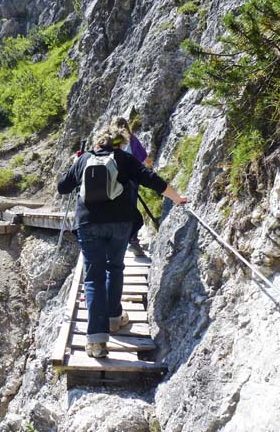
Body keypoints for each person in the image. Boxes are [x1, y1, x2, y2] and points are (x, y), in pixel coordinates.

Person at [57, 126, 187, 358]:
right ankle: (114, 318)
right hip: (120, 224)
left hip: (88, 224)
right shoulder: (125, 159)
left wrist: (78, 166)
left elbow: (62, 187)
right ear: (120, 143)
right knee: (114, 267)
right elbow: (152, 180)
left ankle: (96, 342)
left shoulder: (84, 159)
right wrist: (177, 198)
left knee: (93, 277)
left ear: (97, 143)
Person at [110, 117, 153, 256]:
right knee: (131, 210)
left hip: (113, 180)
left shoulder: (113, 140)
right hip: (131, 181)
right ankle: (133, 240)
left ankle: (117, 239)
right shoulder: (132, 140)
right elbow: (145, 159)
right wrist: (150, 168)